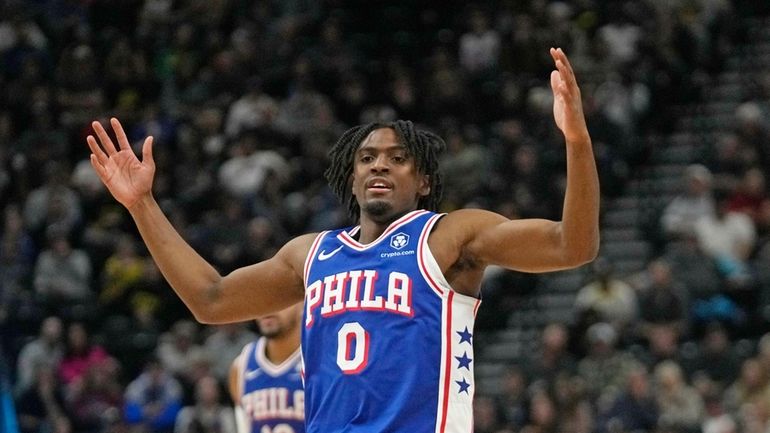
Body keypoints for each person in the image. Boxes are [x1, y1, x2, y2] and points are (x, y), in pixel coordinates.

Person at [86, 47, 599, 432]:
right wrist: (142, 205)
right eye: (368, 157)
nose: (380, 163)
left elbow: (572, 246)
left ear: (422, 181)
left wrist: (576, 141)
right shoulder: (310, 254)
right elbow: (210, 299)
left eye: (398, 158)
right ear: (351, 178)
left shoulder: (450, 235)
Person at [228, 303, 303, 433]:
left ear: (302, 302)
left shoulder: (320, 360)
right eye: (261, 298)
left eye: (278, 297)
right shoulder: (241, 366)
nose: (267, 306)